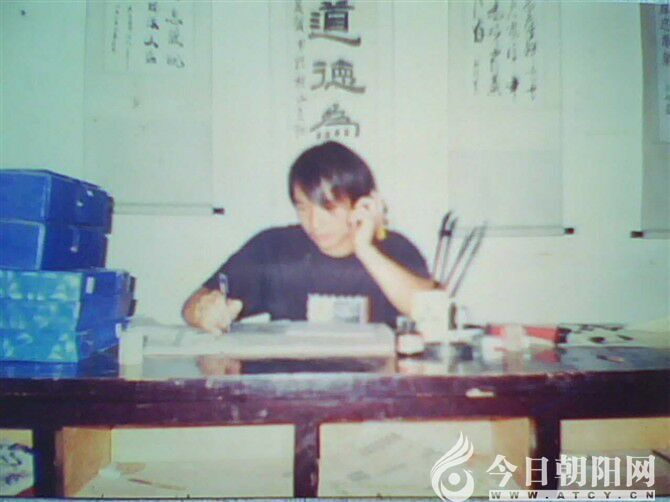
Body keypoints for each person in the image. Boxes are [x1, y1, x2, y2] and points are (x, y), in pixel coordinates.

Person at [182, 141, 435, 334]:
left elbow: (432, 313)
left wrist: (365, 250)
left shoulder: (394, 248)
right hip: (291, 384)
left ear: (362, 202)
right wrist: (202, 311)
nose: (314, 223)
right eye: (303, 208)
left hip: (373, 385)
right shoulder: (273, 247)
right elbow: (193, 304)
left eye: (329, 207)